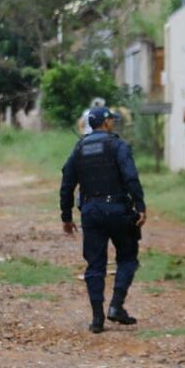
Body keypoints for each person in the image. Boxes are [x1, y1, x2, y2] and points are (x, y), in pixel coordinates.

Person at [60, 107, 146, 333]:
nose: (113, 123)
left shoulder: (79, 149)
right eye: (111, 120)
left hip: (91, 212)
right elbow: (130, 177)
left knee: (95, 264)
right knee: (128, 258)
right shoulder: (118, 145)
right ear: (105, 123)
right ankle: (116, 306)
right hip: (118, 210)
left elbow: (67, 183)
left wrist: (66, 216)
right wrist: (140, 205)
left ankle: (97, 318)